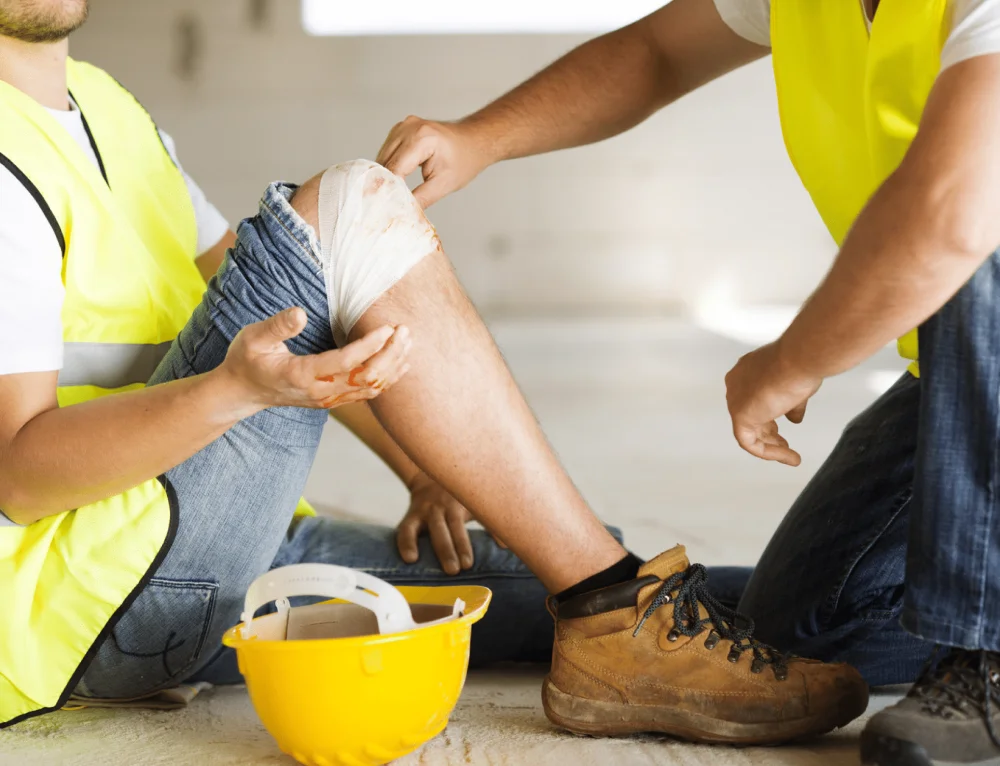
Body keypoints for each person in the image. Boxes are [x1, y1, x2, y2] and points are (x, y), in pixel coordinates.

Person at [0, 0, 869, 747]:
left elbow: (289, 306)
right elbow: (20, 473)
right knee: (350, 202)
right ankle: (615, 610)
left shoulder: (110, 112)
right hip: (97, 600)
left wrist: (425, 465)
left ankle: (928, 643)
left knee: (728, 606)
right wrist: (231, 393)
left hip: (219, 550)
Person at [375, 0, 1000, 764]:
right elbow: (656, 54)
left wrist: (797, 356)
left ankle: (986, 654)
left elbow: (956, 214)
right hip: (958, 373)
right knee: (797, 631)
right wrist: (482, 137)